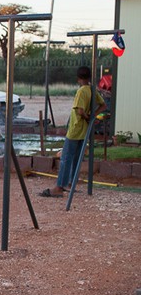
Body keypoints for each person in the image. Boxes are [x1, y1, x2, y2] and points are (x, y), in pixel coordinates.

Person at [40, 66, 106, 198]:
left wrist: (88, 117)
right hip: (84, 130)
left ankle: (59, 187)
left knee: (66, 157)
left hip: (76, 128)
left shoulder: (81, 91)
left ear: (78, 79)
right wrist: (93, 116)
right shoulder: (92, 90)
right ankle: (70, 184)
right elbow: (103, 105)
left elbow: (80, 111)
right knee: (76, 157)